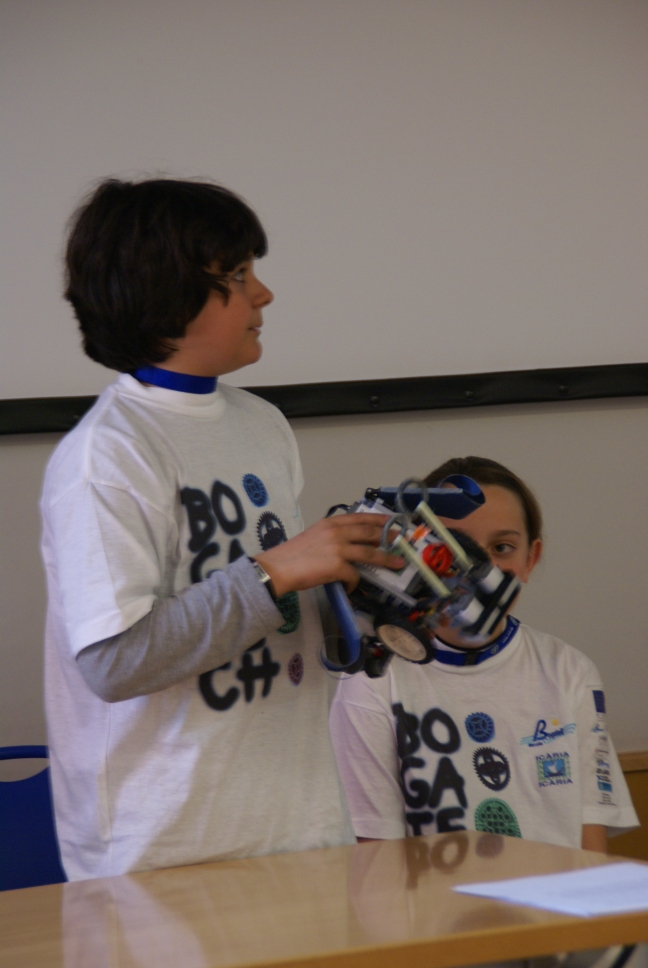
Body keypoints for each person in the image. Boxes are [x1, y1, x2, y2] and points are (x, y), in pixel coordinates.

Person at [41, 178, 403, 881]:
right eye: (236, 276)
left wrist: (366, 585)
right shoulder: (106, 456)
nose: (263, 294)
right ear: (164, 294)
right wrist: (278, 570)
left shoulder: (261, 423)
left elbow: (272, 610)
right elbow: (114, 663)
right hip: (166, 847)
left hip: (298, 822)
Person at [329, 456, 638, 851]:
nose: (479, 571)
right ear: (416, 551)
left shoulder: (568, 671)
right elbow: (374, 857)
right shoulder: (373, 682)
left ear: (530, 559)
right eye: (455, 547)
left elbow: (590, 853)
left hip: (556, 891)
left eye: (502, 548)